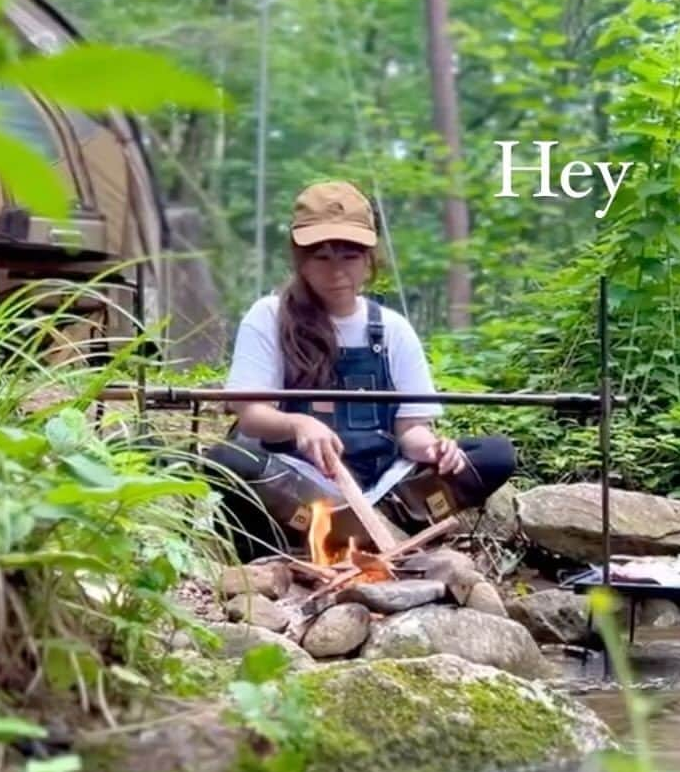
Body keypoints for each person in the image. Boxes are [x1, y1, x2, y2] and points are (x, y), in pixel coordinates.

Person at [205, 179, 516, 561]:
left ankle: (383, 522)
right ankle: (320, 532)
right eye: (322, 257)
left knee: (494, 454)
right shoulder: (268, 316)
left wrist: (435, 449)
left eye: (349, 257)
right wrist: (298, 425)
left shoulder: (392, 329)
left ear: (370, 258)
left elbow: (410, 432)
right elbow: (251, 417)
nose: (337, 271)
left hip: (385, 485)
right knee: (226, 461)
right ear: (300, 257)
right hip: (296, 482)